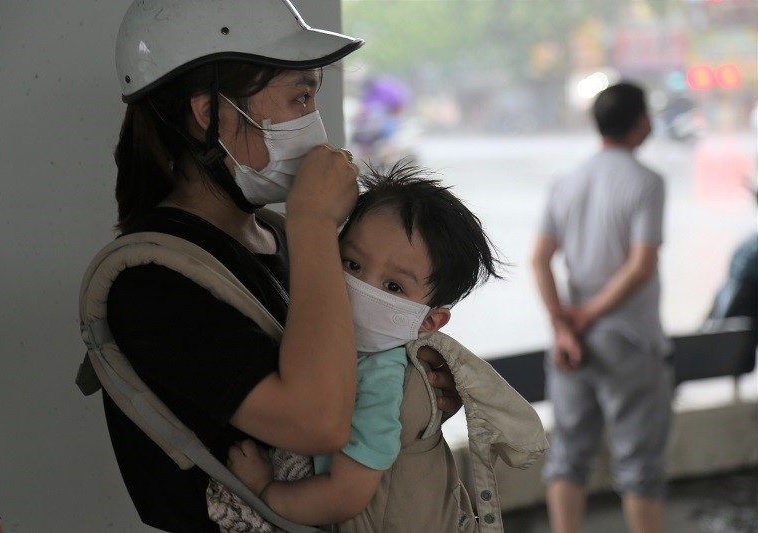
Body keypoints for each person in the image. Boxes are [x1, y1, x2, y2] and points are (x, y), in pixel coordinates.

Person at [85, 2, 460, 531]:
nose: (314, 123)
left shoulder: (277, 238)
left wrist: (408, 400)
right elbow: (317, 423)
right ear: (206, 112)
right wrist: (311, 222)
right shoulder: (151, 282)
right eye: (300, 97)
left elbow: (346, 378)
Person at [217, 162, 505, 529]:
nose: (360, 288)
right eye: (351, 263)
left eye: (393, 287)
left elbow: (346, 495)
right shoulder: (347, 352)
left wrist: (264, 488)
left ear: (429, 322)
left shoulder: (380, 379)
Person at [531, 81, 673, 533]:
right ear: (643, 122)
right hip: (630, 341)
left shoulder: (566, 182)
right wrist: (591, 313)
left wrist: (565, 327)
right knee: (639, 467)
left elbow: (539, 259)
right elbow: (640, 266)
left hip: (572, 344)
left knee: (569, 459)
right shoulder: (647, 182)